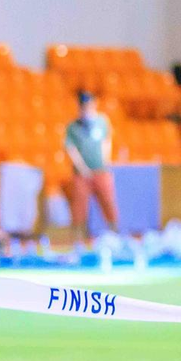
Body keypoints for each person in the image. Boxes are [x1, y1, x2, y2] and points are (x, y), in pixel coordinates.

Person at [64, 90, 119, 245]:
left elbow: (106, 141)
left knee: (108, 201)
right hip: (82, 174)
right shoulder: (73, 127)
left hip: (101, 170)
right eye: (83, 106)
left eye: (88, 105)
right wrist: (82, 168)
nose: (86, 109)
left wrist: (105, 160)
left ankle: (114, 233)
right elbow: (71, 149)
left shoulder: (102, 121)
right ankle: (77, 239)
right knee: (79, 206)